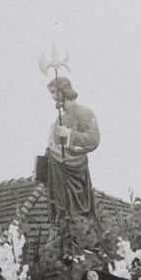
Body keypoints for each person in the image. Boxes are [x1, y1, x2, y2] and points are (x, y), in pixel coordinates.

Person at [42, 76, 100, 220]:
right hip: (57, 175)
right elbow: (52, 146)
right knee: (61, 217)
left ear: (64, 91)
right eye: (51, 93)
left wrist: (69, 135)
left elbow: (94, 140)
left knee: (78, 217)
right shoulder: (58, 119)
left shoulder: (85, 112)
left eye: (55, 92)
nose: (53, 98)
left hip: (75, 174)